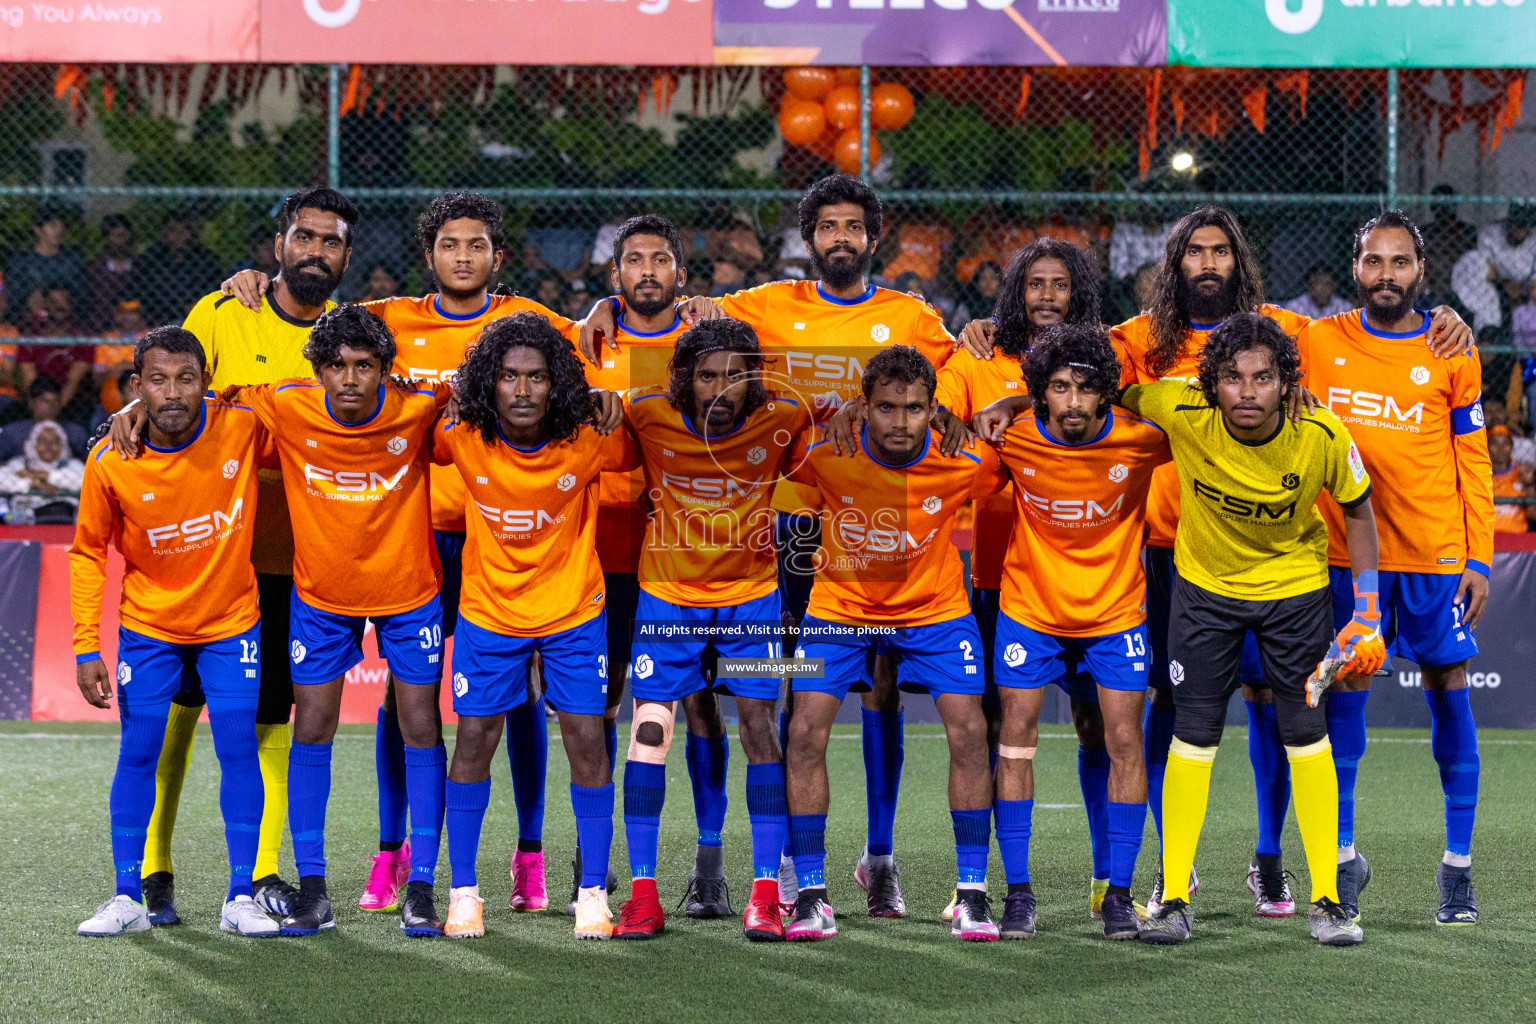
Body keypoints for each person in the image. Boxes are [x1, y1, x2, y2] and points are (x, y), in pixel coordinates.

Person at [958, 204, 1470, 917]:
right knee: (1166, 712)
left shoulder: (1284, 333)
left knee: (1274, 706)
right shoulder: (1136, 340)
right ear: (1176, 265)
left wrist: (1441, 318)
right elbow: (1071, 371)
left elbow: (1372, 334)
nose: (1207, 264)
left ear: (1238, 262)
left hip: (1269, 559)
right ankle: (1172, 869)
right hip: (1165, 554)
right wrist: (1003, 361)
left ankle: (1268, 858)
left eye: (1219, 252)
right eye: (1194, 252)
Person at [582, 174, 957, 916]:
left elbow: (946, 391)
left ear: (871, 237)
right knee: (705, 707)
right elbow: (667, 319)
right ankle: (721, 859)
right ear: (809, 238)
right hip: (767, 541)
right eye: (827, 227)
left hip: (852, 542)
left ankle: (869, 859)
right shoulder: (760, 307)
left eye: (854, 227)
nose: (840, 238)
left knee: (863, 694)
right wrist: (604, 306)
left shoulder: (910, 317)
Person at [220, 191, 576, 917]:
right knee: (400, 705)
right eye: (450, 245)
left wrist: (620, 312)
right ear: (430, 254)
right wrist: (251, 285)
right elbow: (278, 360)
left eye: (477, 246)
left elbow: (605, 341)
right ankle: (393, 856)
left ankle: (529, 854)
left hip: (496, 536)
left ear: (497, 257)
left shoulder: (534, 325)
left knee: (517, 695)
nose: (463, 257)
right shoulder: (384, 321)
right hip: (400, 542)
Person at [982, 312, 1382, 947]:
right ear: (1210, 384)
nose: (1247, 391)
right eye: (1232, 378)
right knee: (1191, 736)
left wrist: (1367, 611)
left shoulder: (1322, 432)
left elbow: (1359, 507)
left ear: (1286, 383)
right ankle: (1170, 899)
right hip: (1204, 596)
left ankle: (1329, 899)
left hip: (1295, 596)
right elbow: (1101, 388)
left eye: (1263, 378)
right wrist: (1012, 399)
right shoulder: (1178, 406)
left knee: (1306, 734)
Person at [106, 185, 358, 926]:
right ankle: (153, 868)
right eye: (304, 237)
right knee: (176, 715)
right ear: (278, 244)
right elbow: (169, 387)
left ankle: (260, 874)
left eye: (331, 241)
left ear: (346, 256)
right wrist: (129, 408)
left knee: (269, 715)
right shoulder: (223, 312)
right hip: (209, 557)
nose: (316, 251)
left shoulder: (354, 333)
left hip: (299, 558)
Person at [217, 304, 452, 938]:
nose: (349, 379)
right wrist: (129, 414)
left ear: (385, 368)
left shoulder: (422, 405)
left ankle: (423, 885)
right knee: (313, 724)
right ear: (319, 369)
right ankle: (315, 888)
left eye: (364, 366)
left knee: (420, 724)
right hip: (321, 597)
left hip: (409, 593)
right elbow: (211, 401)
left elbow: (482, 403)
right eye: (337, 366)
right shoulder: (286, 403)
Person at [1299, 210, 1493, 926]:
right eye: (1374, 262)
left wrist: (1480, 555)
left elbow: (1472, 460)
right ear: (1355, 269)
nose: (1387, 275)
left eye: (1400, 263)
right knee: (1346, 701)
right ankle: (1343, 859)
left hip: (1437, 554)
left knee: (1450, 694)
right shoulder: (1316, 340)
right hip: (1348, 559)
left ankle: (1457, 870)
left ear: (1420, 270)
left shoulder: (1452, 349)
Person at [783, 345, 1001, 943]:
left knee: (972, 730)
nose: (899, 422)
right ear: (864, 406)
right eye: (885, 408)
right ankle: (809, 892)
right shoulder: (827, 453)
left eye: (913, 409)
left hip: (934, 611)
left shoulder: (964, 458)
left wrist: (996, 409)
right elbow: (775, 460)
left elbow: (1025, 456)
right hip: (841, 607)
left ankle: (972, 893)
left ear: (934, 409)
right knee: (803, 731)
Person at [68, 327, 274, 938]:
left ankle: (241, 897)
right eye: (157, 380)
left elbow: (302, 396)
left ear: (205, 380)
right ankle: (127, 896)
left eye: (187, 377)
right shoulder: (111, 459)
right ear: (137, 388)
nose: (174, 392)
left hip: (231, 623)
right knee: (139, 751)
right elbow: (86, 553)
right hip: (149, 629)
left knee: (238, 748)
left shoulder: (241, 425)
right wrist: (85, 644)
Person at [612, 318, 811, 942]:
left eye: (734, 375)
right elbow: (593, 417)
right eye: (706, 376)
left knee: (758, 728)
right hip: (667, 598)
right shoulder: (643, 414)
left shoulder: (782, 418)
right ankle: (642, 895)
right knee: (649, 730)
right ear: (683, 379)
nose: (721, 389)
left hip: (751, 599)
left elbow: (850, 420)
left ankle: (764, 894)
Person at [434, 313, 627, 941]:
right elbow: (401, 408)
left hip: (574, 612)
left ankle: (592, 893)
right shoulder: (461, 435)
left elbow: (650, 426)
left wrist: (614, 398)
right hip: (490, 613)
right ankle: (464, 893)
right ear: (490, 383)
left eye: (537, 377)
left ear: (556, 383)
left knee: (588, 744)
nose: (522, 390)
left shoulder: (589, 439)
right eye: (510, 377)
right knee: (473, 744)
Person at [981, 323, 1170, 940]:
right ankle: (1018, 894)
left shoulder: (1143, 440)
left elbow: (1210, 421)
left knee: (1123, 742)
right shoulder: (1015, 439)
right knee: (1014, 741)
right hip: (1030, 612)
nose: (1073, 402)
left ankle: (1118, 893)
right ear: (1040, 392)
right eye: (1059, 387)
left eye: (1087, 388)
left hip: (1116, 616)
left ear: (1106, 394)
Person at [130, 210, 224, 327]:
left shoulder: (207, 259)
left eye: (185, 229)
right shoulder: (150, 260)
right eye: (173, 230)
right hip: (157, 319)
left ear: (192, 232)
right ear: (164, 233)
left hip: (197, 316)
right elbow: (142, 292)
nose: (179, 234)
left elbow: (214, 290)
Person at [5, 205, 87, 325]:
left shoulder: (72, 259)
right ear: (38, 230)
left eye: (61, 225)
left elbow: (82, 293)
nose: (59, 230)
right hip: (27, 322)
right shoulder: (21, 261)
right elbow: (13, 295)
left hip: (67, 321)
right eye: (53, 225)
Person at [0, 419, 84, 522]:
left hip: (64, 519)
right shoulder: (19, 463)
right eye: (43, 440)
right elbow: (2, 479)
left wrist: (47, 477)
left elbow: (83, 480)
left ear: (62, 444)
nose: (48, 446)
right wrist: (31, 484)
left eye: (54, 441)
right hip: (24, 520)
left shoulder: (73, 464)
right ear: (33, 443)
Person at [0, 376, 88, 462]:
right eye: (45, 401)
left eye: (56, 401)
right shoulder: (12, 433)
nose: (52, 406)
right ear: (31, 402)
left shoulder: (76, 433)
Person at [86, 214, 137, 332]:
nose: (121, 241)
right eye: (117, 236)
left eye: (124, 235)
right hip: (101, 330)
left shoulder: (141, 267)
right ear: (106, 238)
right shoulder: (95, 269)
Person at [1489, 426, 1532, 532]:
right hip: (1486, 539)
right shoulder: (1479, 475)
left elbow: (1533, 514)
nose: (1500, 448)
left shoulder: (1522, 473)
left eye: (1505, 443)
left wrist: (1528, 484)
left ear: (1512, 446)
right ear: (1487, 446)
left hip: (1517, 540)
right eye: (1495, 443)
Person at [1284, 265, 1351, 321]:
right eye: (1318, 284)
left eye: (1327, 284)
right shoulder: (1295, 307)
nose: (1323, 289)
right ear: (1310, 286)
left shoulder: (1344, 307)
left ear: (1334, 286)